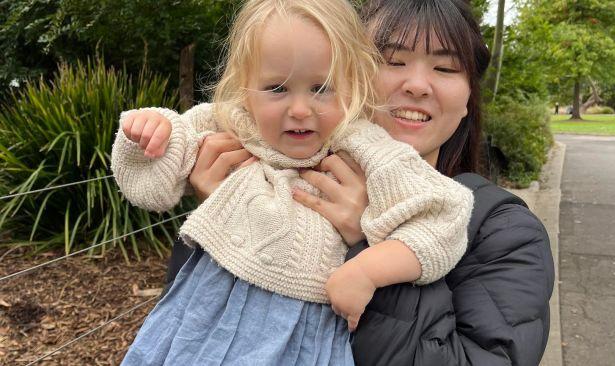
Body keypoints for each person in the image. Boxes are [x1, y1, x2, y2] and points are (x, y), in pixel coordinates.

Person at [173, 0, 555, 365]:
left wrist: (370, 247)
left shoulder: (505, 234)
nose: (418, 85)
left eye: (445, 68)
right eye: (391, 61)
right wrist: (226, 214)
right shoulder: (267, 175)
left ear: (470, 96)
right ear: (345, 74)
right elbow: (192, 326)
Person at [111, 0, 475, 364]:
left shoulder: (363, 147)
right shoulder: (231, 122)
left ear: (353, 85)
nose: (300, 109)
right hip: (199, 319)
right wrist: (150, 133)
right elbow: (153, 187)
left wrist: (367, 268)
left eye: (321, 88)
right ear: (245, 88)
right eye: (277, 89)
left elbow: (444, 216)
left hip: (302, 335)